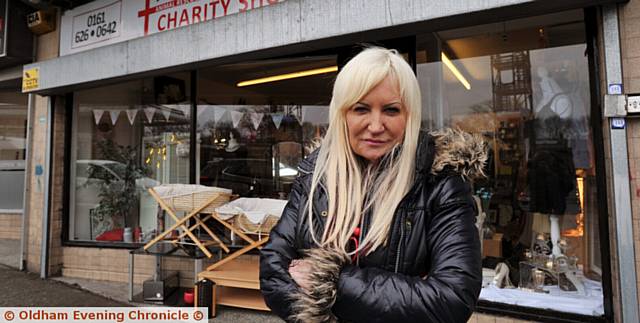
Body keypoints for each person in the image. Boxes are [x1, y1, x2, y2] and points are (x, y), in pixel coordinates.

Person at [260, 47, 486, 323]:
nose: (376, 125)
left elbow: (452, 298)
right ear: (342, 114)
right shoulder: (315, 176)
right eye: (361, 108)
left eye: (391, 110)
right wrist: (406, 291)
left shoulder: (439, 185)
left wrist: (328, 282)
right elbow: (273, 271)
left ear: (410, 116)